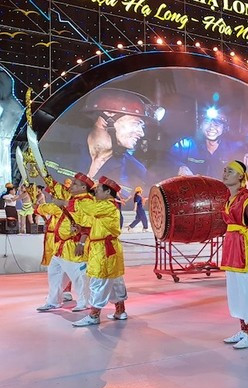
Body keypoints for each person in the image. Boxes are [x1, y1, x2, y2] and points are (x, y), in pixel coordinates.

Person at [220, 160, 248, 349]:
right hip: (231, 246)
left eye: (229, 171)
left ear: (240, 176)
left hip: (244, 247)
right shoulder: (230, 198)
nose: (225, 173)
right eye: (224, 170)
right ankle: (244, 329)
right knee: (236, 290)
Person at [70, 177, 128, 327]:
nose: (95, 190)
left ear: (108, 192)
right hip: (107, 248)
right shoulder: (105, 206)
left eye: (99, 188)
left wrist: (79, 196)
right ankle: (120, 311)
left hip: (104, 249)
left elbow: (89, 209)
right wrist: (81, 229)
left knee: (99, 281)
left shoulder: (107, 206)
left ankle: (94, 315)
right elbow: (94, 225)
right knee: (115, 281)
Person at [82, 88, 161, 193]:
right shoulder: (61, 143)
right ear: (108, 115)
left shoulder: (136, 171)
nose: (141, 133)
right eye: (136, 123)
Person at [36, 173, 94, 312]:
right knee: (54, 273)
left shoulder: (87, 202)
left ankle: (84, 302)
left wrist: (81, 243)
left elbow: (87, 225)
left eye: (74, 184)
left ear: (83, 187)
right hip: (60, 246)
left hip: (74, 245)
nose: (71, 186)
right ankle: (53, 301)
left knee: (79, 276)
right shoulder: (73, 199)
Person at [171, 105, 240, 179]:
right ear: (201, 125)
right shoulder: (187, 145)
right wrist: (179, 166)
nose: (211, 128)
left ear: (224, 128)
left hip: (221, 189)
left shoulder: (233, 148)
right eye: (207, 122)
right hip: (193, 188)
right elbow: (167, 157)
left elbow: (247, 150)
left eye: (217, 124)